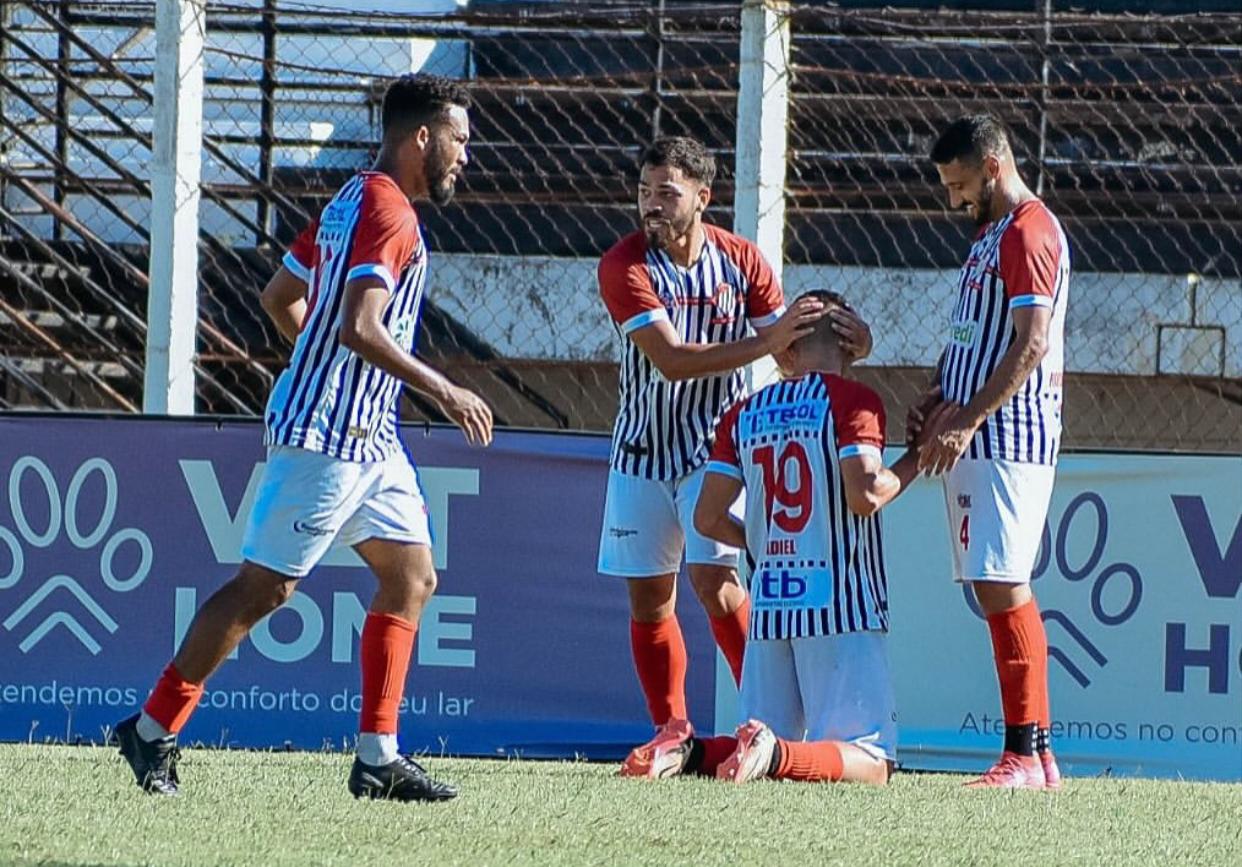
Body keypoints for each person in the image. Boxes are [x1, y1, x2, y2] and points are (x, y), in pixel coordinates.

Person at [114, 74, 493, 802]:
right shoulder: (391, 213)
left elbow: (280, 298)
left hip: (371, 435)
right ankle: (153, 727)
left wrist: (318, 353)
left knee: (412, 576)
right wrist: (443, 388)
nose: (465, 156)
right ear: (422, 137)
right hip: (327, 434)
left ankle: (378, 757)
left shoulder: (351, 196)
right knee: (265, 588)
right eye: (460, 140)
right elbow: (359, 325)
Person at [596, 137, 872, 776]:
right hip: (640, 451)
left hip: (715, 451)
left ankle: (769, 731)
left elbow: (790, 348)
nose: (651, 206)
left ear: (703, 197)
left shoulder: (741, 260)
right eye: (644, 192)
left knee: (717, 585)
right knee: (649, 601)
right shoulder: (623, 265)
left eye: (666, 193)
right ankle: (671, 729)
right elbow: (669, 360)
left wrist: (854, 344)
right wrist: (766, 342)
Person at [624, 290, 925, 783]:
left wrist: (758, 542)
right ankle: (769, 753)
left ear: (786, 349)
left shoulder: (746, 413)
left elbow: (708, 517)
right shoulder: (855, 401)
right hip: (840, 605)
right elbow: (865, 495)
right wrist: (918, 457)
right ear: (852, 344)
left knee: (762, 739)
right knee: (872, 759)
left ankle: (686, 752)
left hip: (771, 602)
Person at [909, 114, 1069, 789]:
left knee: (1004, 582)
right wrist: (939, 394)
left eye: (962, 183)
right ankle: (1037, 757)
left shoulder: (1029, 229)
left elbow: (1030, 342)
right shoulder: (990, 234)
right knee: (991, 583)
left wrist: (967, 419)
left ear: (995, 167)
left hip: (1010, 433)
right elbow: (975, 335)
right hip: (978, 428)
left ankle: (1026, 753)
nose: (955, 199)